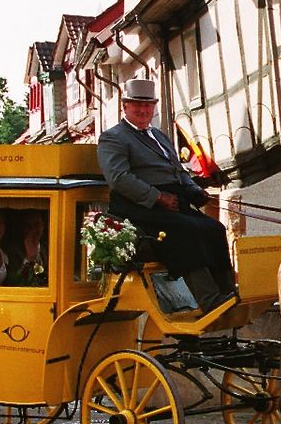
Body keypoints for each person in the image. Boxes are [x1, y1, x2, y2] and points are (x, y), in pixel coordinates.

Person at [97, 77, 236, 312]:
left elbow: (178, 171)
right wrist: (157, 197)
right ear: (125, 106)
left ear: (153, 107)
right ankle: (209, 299)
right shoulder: (113, 137)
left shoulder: (160, 136)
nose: (143, 110)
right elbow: (119, 178)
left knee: (215, 229)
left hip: (172, 201)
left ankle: (227, 292)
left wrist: (194, 191)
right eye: (137, 105)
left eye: (148, 105)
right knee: (186, 230)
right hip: (139, 208)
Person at [6, 209, 49, 286]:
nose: (33, 230)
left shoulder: (49, 248)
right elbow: (12, 282)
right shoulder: (14, 250)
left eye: (37, 224)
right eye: (28, 226)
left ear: (43, 226)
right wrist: (28, 259)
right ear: (23, 229)